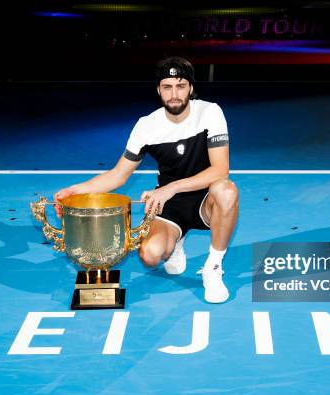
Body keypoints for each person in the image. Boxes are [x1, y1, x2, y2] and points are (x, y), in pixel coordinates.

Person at [54, 56, 239, 303]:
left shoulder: (210, 112)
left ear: (191, 88)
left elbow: (220, 170)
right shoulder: (146, 126)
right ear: (158, 90)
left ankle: (213, 268)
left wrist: (171, 188)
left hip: (207, 199)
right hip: (170, 206)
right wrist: (73, 190)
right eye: (167, 87)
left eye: (181, 86)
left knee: (226, 190)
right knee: (150, 256)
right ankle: (177, 239)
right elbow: (118, 174)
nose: (174, 94)